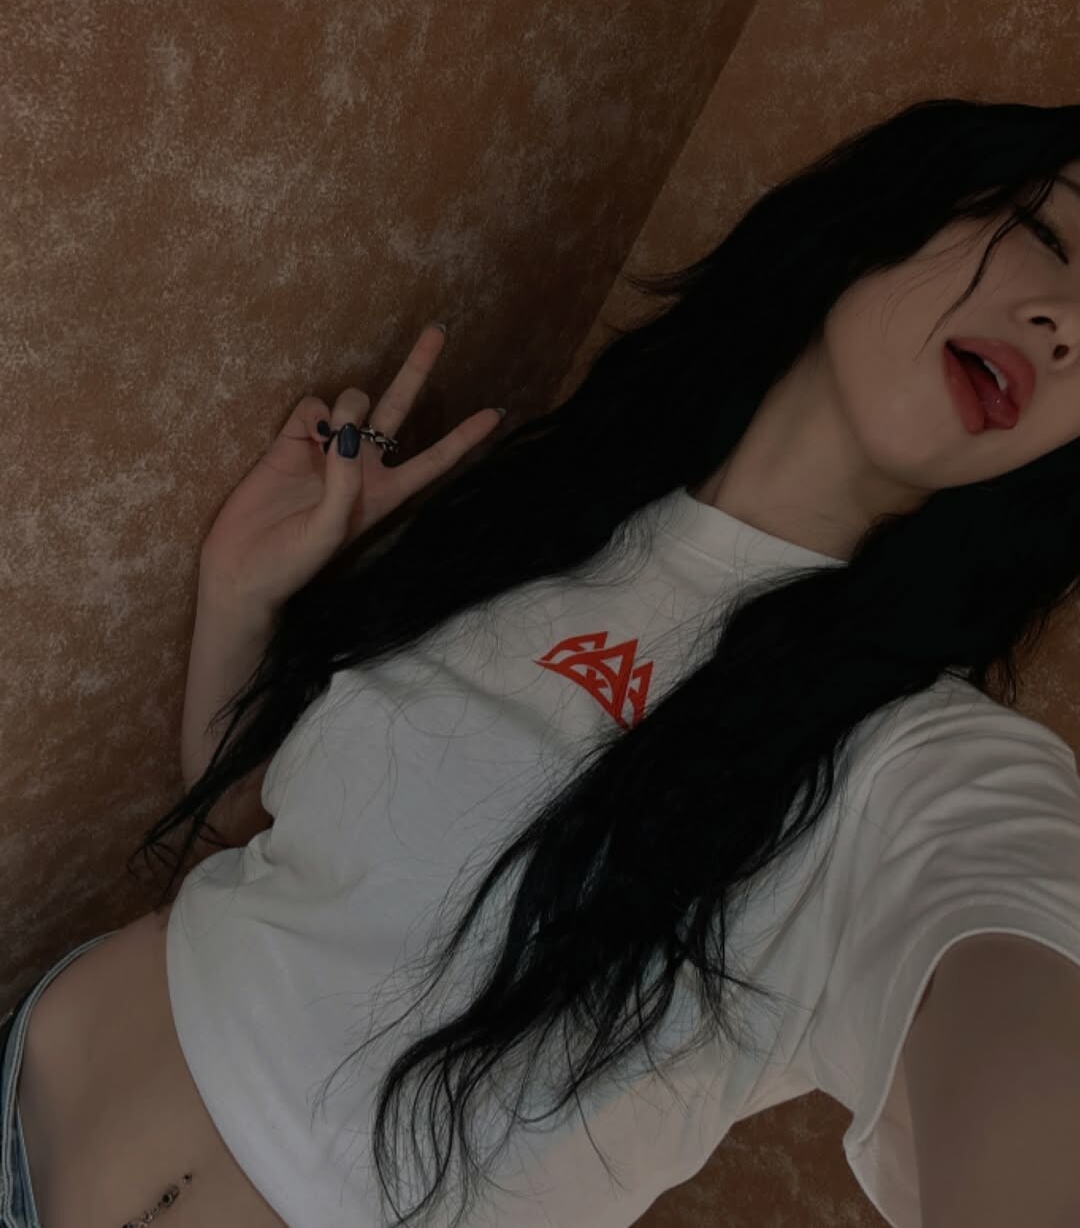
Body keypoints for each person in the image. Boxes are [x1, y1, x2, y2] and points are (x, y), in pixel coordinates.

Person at [9, 97, 1080, 1228]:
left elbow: (1023, 993)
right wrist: (242, 591)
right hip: (26, 1083)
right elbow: (254, 840)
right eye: (1050, 235)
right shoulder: (544, 505)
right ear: (903, 202)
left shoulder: (919, 762)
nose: (1068, 328)